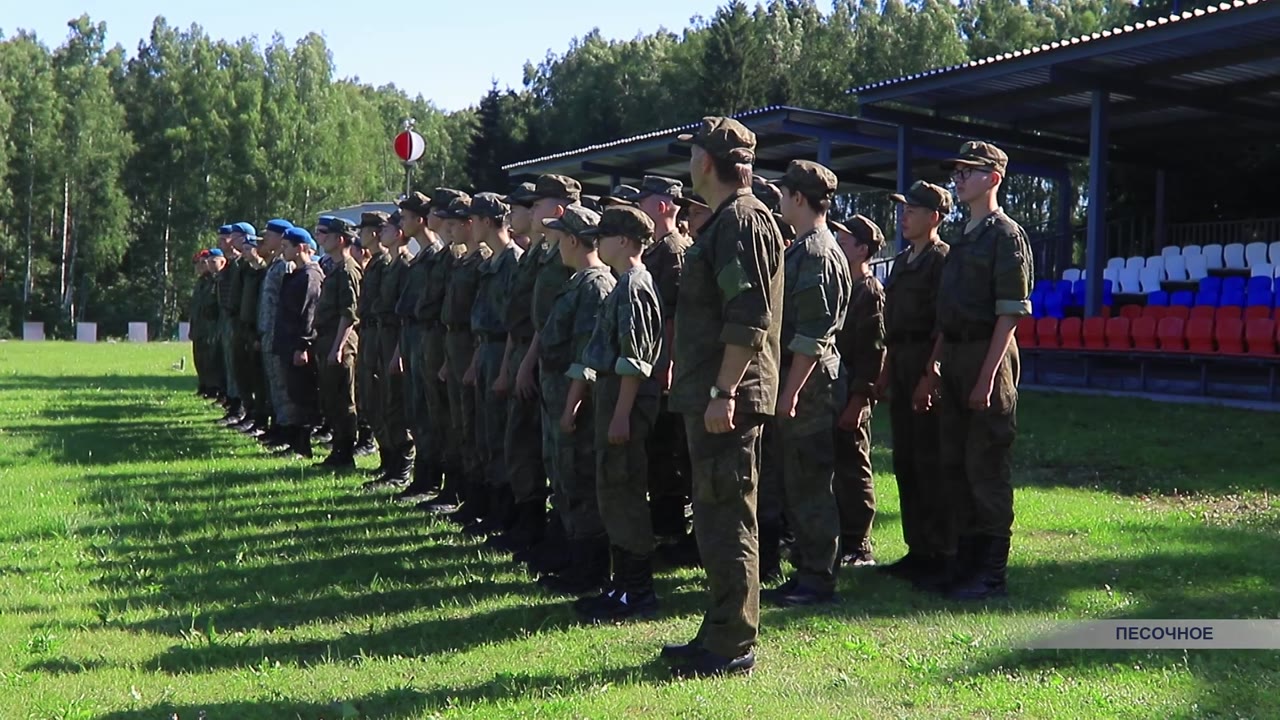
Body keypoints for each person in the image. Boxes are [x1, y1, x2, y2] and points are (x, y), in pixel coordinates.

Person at [662, 117, 784, 678]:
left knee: (729, 514)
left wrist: (723, 391)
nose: (689, 164)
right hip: (711, 393)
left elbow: (748, 316)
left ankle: (733, 643)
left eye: (691, 155)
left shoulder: (742, 220)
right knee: (713, 517)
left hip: (726, 396)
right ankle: (719, 629)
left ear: (707, 162)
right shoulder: (725, 221)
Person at [917, 141, 1033, 600]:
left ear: (994, 178)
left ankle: (991, 573)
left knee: (985, 465)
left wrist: (987, 377)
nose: (959, 178)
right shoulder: (963, 237)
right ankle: (964, 562)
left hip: (988, 354)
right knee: (955, 463)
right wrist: (934, 366)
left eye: (969, 170)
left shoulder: (1006, 235)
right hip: (956, 354)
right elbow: (947, 313)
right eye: (957, 171)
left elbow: (1009, 313)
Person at [758, 160, 851, 609]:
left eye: (783, 194)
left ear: (798, 197)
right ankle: (807, 570)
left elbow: (813, 336)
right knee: (796, 481)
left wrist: (789, 393)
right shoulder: (802, 247)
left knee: (811, 483)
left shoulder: (816, 253)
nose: (779, 200)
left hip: (809, 386)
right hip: (800, 381)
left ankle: (818, 577)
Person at [572, 205, 664, 622]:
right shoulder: (624, 283)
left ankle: (638, 592)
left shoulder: (633, 285)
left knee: (625, 493)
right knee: (613, 491)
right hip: (612, 395)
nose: (598, 244)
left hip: (625, 400)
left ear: (624, 240)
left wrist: (622, 414)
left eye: (604, 237)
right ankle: (623, 585)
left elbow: (635, 359)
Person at [876, 181, 953, 584]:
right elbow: (892, 324)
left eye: (913, 211)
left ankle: (940, 551)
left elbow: (944, 323)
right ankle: (917, 548)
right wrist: (886, 371)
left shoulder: (942, 260)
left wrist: (931, 372)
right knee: (905, 459)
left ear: (934, 217)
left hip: (925, 358)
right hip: (902, 359)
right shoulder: (903, 260)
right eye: (903, 210)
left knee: (929, 459)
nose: (904, 217)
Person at [537, 204, 615, 596]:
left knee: (580, 482)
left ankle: (590, 573)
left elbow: (587, 357)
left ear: (571, 240)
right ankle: (572, 562)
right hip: (559, 396)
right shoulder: (579, 281)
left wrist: (571, 407)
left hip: (576, 404)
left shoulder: (595, 285)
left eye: (559, 236)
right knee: (565, 481)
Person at [514, 175, 580, 574]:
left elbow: (557, 319)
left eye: (537, 204)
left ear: (557, 210)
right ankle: (554, 538)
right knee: (551, 455)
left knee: (568, 461)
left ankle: (572, 546)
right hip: (546, 362)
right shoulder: (546, 252)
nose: (531, 210)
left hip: (564, 366)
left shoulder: (569, 258)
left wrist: (528, 362)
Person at [630, 177, 695, 561]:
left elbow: (674, 315)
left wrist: (667, 362)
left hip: (666, 362)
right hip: (651, 358)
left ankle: (671, 528)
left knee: (669, 448)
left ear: (662, 206)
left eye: (643, 201)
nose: (637, 207)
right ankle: (663, 524)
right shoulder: (656, 249)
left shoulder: (673, 250)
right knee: (658, 446)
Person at [491, 182, 547, 550]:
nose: (512, 215)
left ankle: (534, 526)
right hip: (520, 353)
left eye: (520, 208)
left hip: (536, 357)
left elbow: (542, 319)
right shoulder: (532, 255)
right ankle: (523, 520)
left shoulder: (545, 256)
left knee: (530, 444)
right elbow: (517, 318)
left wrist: (525, 364)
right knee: (517, 441)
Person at [465, 192, 525, 534]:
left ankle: (506, 513)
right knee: (486, 433)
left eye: (473, 220)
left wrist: (504, 370)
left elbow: (514, 323)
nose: (469, 226)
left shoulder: (513, 261)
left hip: (504, 351)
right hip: (487, 350)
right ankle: (490, 507)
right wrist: (476, 361)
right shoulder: (490, 262)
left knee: (503, 436)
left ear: (487, 221)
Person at [831, 216, 887, 568]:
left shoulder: (869, 291)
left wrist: (860, 399)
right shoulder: (841, 285)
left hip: (854, 388)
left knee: (853, 465)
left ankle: (859, 543)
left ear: (862, 249)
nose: (837, 243)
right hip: (834, 386)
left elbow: (873, 352)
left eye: (845, 240)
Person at [415, 188, 469, 514]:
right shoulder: (447, 254)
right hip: (438, 337)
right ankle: (443, 482)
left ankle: (455, 488)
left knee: (453, 420)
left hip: (452, 340)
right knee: (438, 415)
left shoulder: (459, 256)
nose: (437, 219)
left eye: (444, 214)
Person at [391, 192, 446, 501]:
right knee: (417, 410)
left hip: (428, 337)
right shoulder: (422, 257)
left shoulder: (435, 255)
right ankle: (422, 478)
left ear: (420, 220)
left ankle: (429, 478)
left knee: (429, 412)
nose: (401, 223)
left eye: (405, 218)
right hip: (414, 337)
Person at [438, 195, 490, 523]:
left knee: (472, 424)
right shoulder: (461, 259)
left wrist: (473, 361)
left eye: (455, 224)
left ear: (470, 224)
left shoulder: (482, 260)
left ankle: (476, 497)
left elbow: (480, 315)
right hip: (454, 342)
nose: (450, 229)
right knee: (457, 422)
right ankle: (462, 490)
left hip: (471, 345)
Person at [367, 213, 416, 490]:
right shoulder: (391, 264)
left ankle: (402, 468)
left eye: (385, 229)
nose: (379, 233)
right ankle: (391, 463)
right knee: (384, 401)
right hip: (382, 336)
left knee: (397, 403)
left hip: (395, 338)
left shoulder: (405, 265)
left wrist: (398, 351)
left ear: (398, 234)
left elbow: (403, 314)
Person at [312, 215, 364, 471]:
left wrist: (338, 346)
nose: (322, 239)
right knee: (331, 397)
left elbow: (349, 313)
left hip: (339, 339)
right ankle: (338, 448)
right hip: (327, 338)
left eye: (327, 234)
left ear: (340, 239)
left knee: (343, 399)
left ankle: (345, 452)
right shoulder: (334, 267)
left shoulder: (347, 269)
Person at [273, 227, 325, 458]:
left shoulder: (310, 276)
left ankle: (303, 446)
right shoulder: (296, 273)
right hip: (288, 342)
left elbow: (309, 315)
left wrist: (303, 346)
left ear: (301, 247)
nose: (282, 250)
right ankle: (295, 443)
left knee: (303, 396)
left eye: (287, 246)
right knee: (293, 394)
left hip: (299, 345)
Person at [256, 219, 297, 452]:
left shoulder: (285, 265)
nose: (265, 240)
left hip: (277, 332)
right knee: (274, 383)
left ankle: (287, 429)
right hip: (268, 331)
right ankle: (279, 426)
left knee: (283, 384)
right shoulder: (273, 263)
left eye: (269, 235)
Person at [352, 212, 390, 458]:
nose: (360, 236)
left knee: (379, 396)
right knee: (368, 395)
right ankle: (386, 455)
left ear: (374, 233)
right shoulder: (375, 263)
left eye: (363, 231)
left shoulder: (384, 263)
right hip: (369, 332)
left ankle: (392, 456)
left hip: (379, 333)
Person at [233, 228, 271, 437]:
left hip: (257, 329)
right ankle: (250, 413)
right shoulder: (246, 271)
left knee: (259, 378)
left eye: (249, 248)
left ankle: (261, 418)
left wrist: (257, 334)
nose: (245, 252)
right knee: (245, 374)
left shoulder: (264, 272)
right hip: (245, 327)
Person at [217, 224, 248, 426]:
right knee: (230, 362)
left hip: (237, 318)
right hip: (228, 317)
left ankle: (240, 406)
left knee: (238, 365)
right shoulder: (230, 264)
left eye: (226, 238)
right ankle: (233, 401)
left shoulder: (239, 264)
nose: (222, 242)